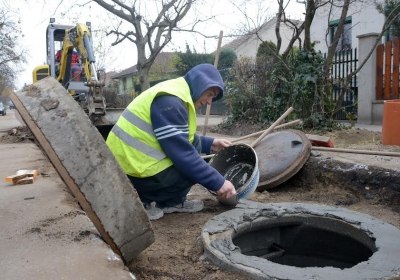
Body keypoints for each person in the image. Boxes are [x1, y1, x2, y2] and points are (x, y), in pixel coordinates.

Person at [106, 63, 237, 220]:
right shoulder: (170, 102)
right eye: (209, 94)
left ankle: (170, 201)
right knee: (192, 165)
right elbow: (183, 154)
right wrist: (219, 183)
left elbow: (180, 138)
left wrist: (211, 143)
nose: (209, 102)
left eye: (213, 98)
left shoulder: (176, 93)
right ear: (199, 84)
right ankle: (139, 202)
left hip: (129, 165)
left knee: (193, 153)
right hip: (130, 174)